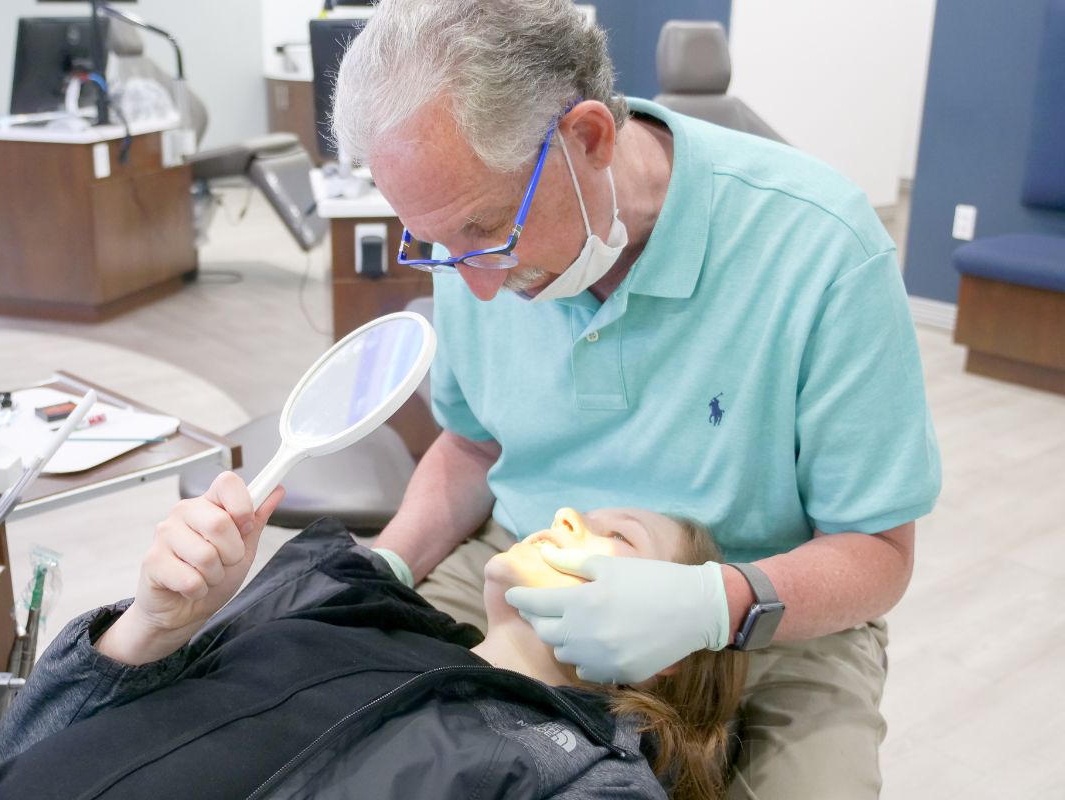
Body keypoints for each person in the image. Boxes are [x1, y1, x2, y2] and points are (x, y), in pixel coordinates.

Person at [332, 2, 942, 798]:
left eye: (487, 231)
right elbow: (474, 447)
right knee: (331, 713)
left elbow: (878, 553)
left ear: (588, 137)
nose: (474, 284)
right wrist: (388, 564)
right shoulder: (471, 253)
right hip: (519, 562)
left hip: (763, 612)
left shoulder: (822, 248)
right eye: (439, 245)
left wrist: (710, 604)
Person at [0, 474, 744, 800]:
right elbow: (19, 754)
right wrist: (150, 628)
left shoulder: (582, 771)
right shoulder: (345, 598)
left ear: (666, 644)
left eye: (617, 537)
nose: (564, 515)